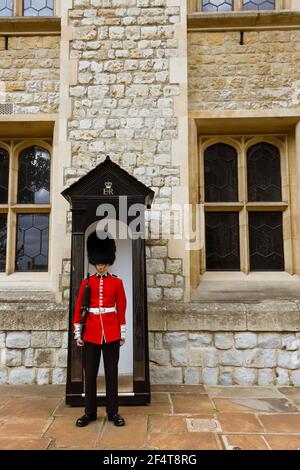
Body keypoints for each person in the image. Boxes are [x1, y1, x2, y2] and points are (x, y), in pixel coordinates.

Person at [73, 230, 127, 427]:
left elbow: (121, 308)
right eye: (98, 262)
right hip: (91, 333)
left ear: (108, 261)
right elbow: (79, 308)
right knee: (90, 375)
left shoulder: (117, 282)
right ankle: (90, 412)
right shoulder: (87, 282)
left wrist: (122, 332)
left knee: (112, 374)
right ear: (94, 261)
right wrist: (78, 332)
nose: (100, 265)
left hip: (111, 333)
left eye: (103, 262)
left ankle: (113, 412)